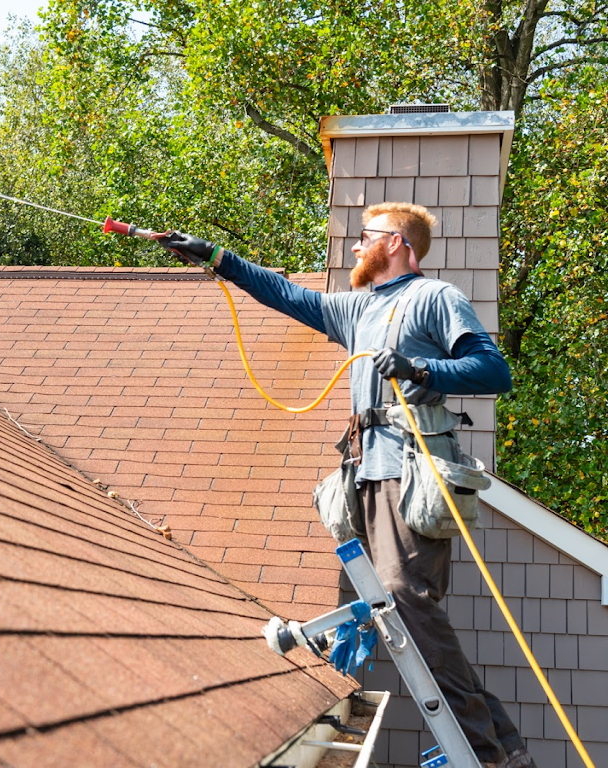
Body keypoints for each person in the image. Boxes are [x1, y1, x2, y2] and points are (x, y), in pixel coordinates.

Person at [159, 202, 535, 768]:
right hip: (362, 471)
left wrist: (420, 370)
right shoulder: (356, 309)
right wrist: (216, 257)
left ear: (398, 244)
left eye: (365, 237)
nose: (355, 247)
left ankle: (488, 751)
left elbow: (493, 371)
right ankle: (500, 745)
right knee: (391, 604)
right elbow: (287, 294)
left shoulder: (434, 298)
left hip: (409, 472)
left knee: (408, 601)